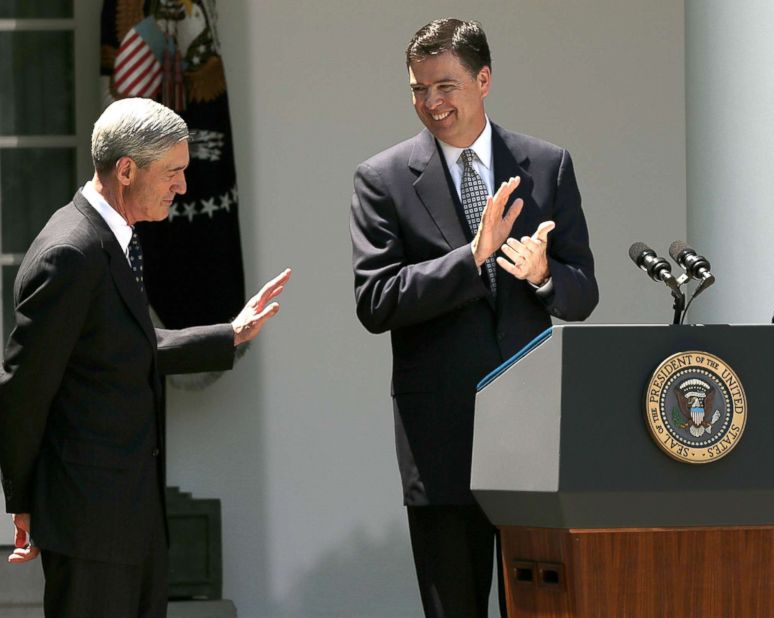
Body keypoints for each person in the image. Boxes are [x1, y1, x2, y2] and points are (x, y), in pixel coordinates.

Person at [0, 97, 291, 617]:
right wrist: (23, 501)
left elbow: (118, 347)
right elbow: (24, 387)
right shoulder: (70, 252)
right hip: (88, 527)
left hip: (132, 520)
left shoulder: (114, 240)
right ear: (127, 169)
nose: (183, 186)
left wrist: (229, 333)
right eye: (174, 172)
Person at [350, 18, 598, 618]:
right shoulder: (382, 180)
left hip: (533, 441)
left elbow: (583, 293)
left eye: (445, 86)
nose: (431, 103)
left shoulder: (547, 165)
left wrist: (542, 275)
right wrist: (471, 258)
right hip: (440, 440)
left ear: (483, 80)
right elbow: (376, 300)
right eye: (418, 89)